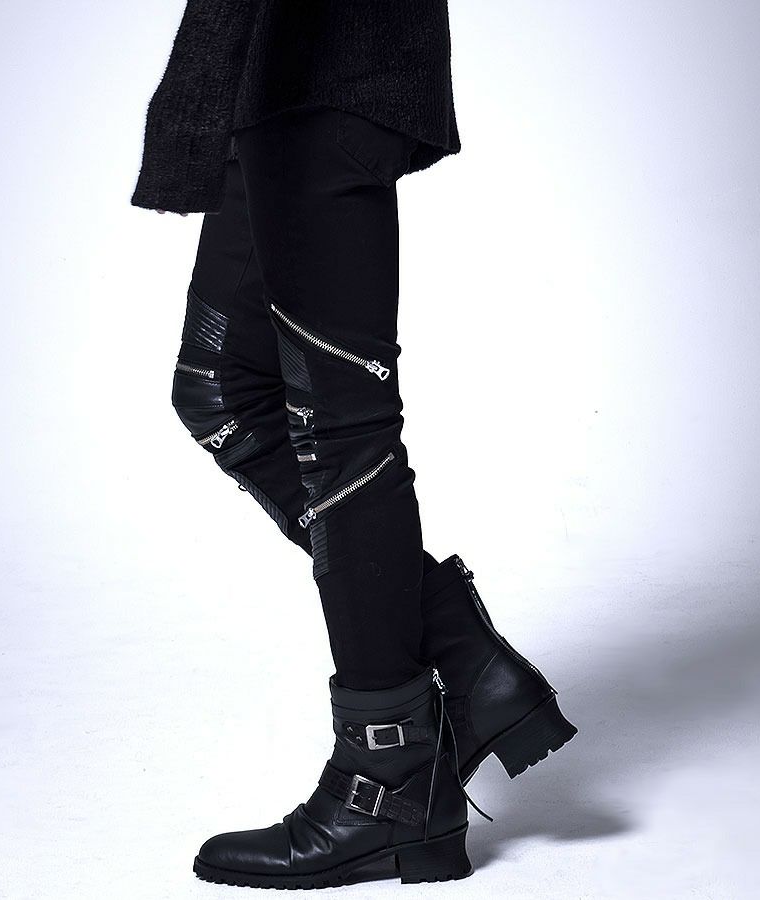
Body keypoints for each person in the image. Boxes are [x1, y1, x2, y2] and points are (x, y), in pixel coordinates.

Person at [131, 1, 576, 888]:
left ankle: (390, 768)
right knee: (220, 389)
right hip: (269, 69)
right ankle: (465, 658)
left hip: (329, 63)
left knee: (339, 425)